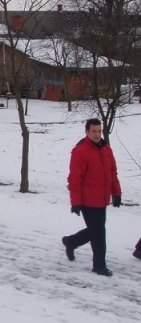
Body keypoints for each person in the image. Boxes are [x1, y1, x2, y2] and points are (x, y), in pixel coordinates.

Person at [62, 118, 122, 277]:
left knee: (96, 230)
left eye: (99, 131)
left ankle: (71, 241)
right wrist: (76, 202)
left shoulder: (106, 149)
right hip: (87, 200)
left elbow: (112, 173)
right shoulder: (80, 151)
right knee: (99, 233)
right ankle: (99, 266)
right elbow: (74, 178)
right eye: (93, 131)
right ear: (87, 132)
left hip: (102, 199)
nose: (97, 134)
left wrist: (117, 193)